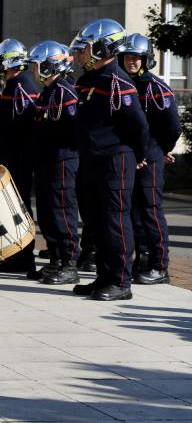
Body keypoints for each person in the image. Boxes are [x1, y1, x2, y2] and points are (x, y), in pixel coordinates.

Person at [70, 18, 149, 301]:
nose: (80, 53)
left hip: (115, 159)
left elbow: (138, 125)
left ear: (103, 48)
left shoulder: (117, 80)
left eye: (86, 48)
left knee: (115, 221)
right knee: (95, 221)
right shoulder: (88, 79)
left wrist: (137, 156)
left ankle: (120, 281)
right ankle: (103, 276)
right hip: (91, 159)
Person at [120, 33, 181, 285]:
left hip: (150, 157)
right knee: (134, 211)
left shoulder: (155, 86)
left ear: (146, 59)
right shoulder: (122, 83)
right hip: (131, 157)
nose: (132, 62)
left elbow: (172, 126)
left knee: (150, 210)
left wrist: (157, 150)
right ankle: (142, 261)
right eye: (127, 57)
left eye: (137, 58)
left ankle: (159, 266)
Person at [28, 41, 81, 285]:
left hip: (62, 160)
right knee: (47, 213)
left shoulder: (65, 90)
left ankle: (69, 263)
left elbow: (73, 128)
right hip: (45, 160)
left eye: (38, 65)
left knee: (62, 211)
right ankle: (56, 260)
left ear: (51, 65)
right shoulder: (48, 91)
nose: (34, 71)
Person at [0, 38, 41, 274]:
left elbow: (30, 125)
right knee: (13, 208)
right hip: (11, 157)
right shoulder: (13, 84)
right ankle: (17, 254)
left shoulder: (22, 85)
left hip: (20, 158)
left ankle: (24, 256)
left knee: (21, 208)